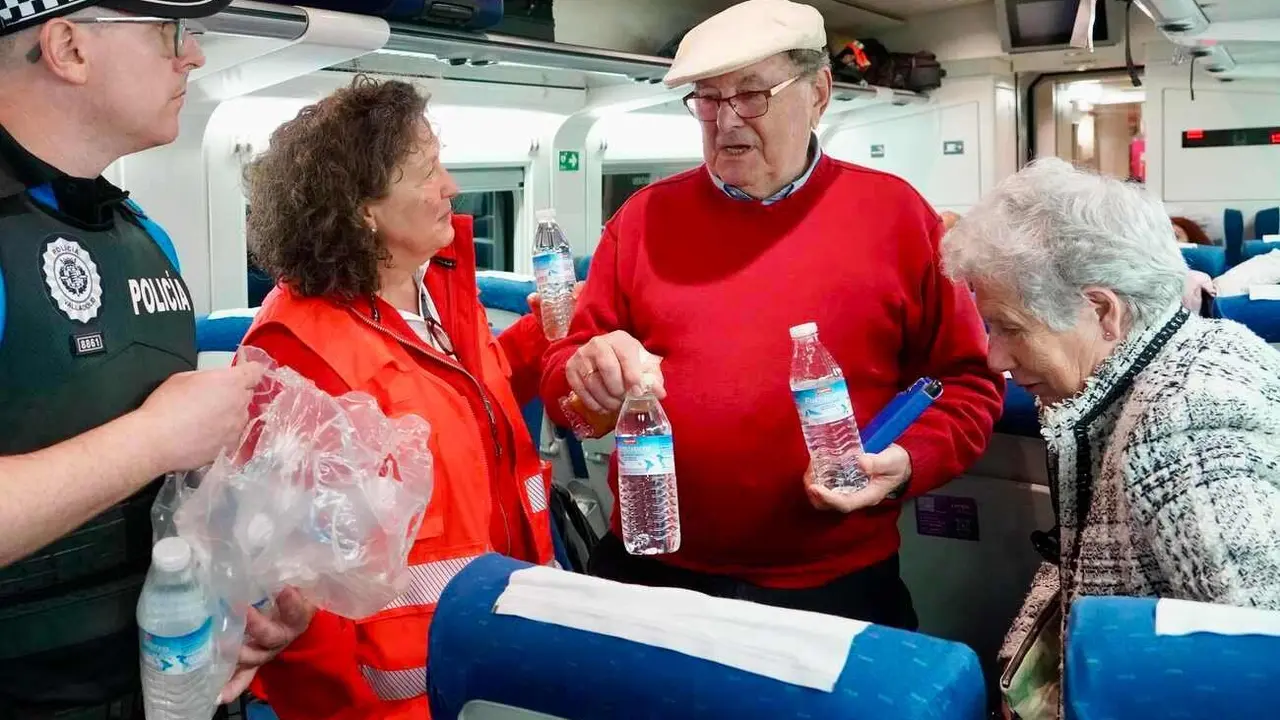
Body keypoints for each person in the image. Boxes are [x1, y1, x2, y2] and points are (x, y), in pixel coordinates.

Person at [540, 0, 1004, 628]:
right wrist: (583, 377)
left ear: (818, 92)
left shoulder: (896, 217)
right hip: (654, 569)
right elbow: (565, 382)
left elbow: (966, 385)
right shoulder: (642, 221)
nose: (727, 121)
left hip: (833, 582)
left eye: (752, 94)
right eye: (708, 98)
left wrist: (907, 463)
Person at [0, 1, 313, 716]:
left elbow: (167, 497)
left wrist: (242, 600)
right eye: (169, 31)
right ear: (68, 47)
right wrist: (154, 439)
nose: (194, 55)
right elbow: (151, 443)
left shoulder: (145, 239)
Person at [238, 76, 556, 720]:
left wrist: (542, 338)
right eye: (426, 171)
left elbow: (466, 403)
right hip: (397, 691)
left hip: (499, 642)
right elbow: (293, 577)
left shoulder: (434, 290)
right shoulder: (300, 349)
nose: (452, 187)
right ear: (363, 209)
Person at [940, 158, 1280, 717]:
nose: (993, 357)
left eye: (1009, 327)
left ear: (1102, 311)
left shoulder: (1187, 429)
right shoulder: (1157, 365)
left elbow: (1254, 672)